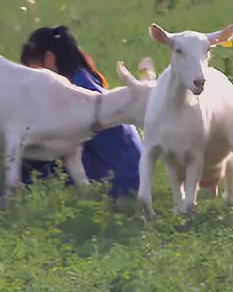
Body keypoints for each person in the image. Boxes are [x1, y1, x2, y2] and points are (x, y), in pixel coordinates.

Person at [19, 25, 142, 199]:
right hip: (135, 179)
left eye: (34, 71)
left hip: (115, 183)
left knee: (28, 162)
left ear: (50, 60)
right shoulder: (86, 79)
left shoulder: (70, 92)